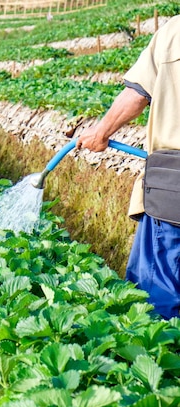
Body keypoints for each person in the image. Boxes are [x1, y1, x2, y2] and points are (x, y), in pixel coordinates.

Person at [76, 15, 180, 319]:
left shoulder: (174, 31)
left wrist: (101, 133)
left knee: (158, 296)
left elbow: (136, 96)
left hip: (172, 190)